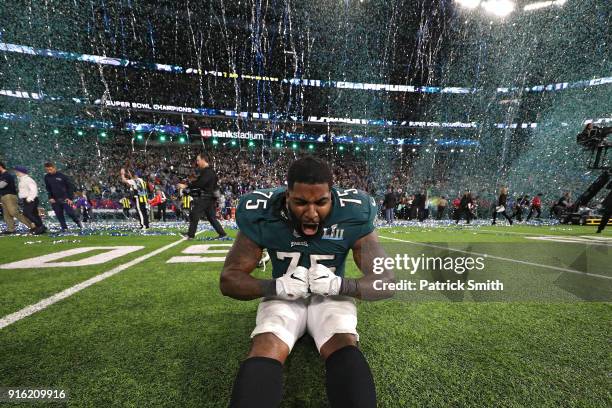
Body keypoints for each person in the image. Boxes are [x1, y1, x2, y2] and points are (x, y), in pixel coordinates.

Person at [220, 156, 395, 408]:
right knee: (267, 341)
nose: (311, 213)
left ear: (332, 196)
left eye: (321, 202)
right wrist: (276, 286)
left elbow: (386, 281)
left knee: (342, 339)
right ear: (287, 195)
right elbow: (229, 279)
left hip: (330, 295)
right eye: (301, 202)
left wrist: (341, 286)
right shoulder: (261, 210)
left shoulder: (355, 211)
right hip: (284, 295)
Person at [177, 152, 226, 239]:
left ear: (203, 160)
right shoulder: (209, 171)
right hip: (210, 197)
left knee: (194, 213)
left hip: (206, 197)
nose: (197, 162)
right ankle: (222, 233)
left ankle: (190, 234)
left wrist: (186, 186)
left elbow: (200, 183)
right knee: (211, 217)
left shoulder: (208, 172)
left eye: (198, 160)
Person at [43, 162, 83, 232]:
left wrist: (70, 198)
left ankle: (78, 221)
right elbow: (48, 188)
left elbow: (70, 187)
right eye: (47, 170)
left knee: (70, 212)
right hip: (55, 199)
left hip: (65, 198)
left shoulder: (63, 176)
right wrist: (50, 197)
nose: (49, 171)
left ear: (54, 168)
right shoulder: (46, 177)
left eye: (50, 169)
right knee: (58, 213)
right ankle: (64, 228)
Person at [0, 162, 35, 234]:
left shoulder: (7, 175)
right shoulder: (2, 175)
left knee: (14, 212)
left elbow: (2, 185)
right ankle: (11, 229)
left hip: (9, 196)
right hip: (4, 196)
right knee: (6, 214)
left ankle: (32, 226)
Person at [14, 166, 47, 234]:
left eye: (17, 171)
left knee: (27, 213)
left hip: (30, 199)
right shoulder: (22, 180)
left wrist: (30, 198)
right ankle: (40, 228)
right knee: (34, 214)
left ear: (21, 172)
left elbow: (34, 190)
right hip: (27, 199)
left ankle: (40, 226)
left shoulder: (28, 180)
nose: (16, 172)